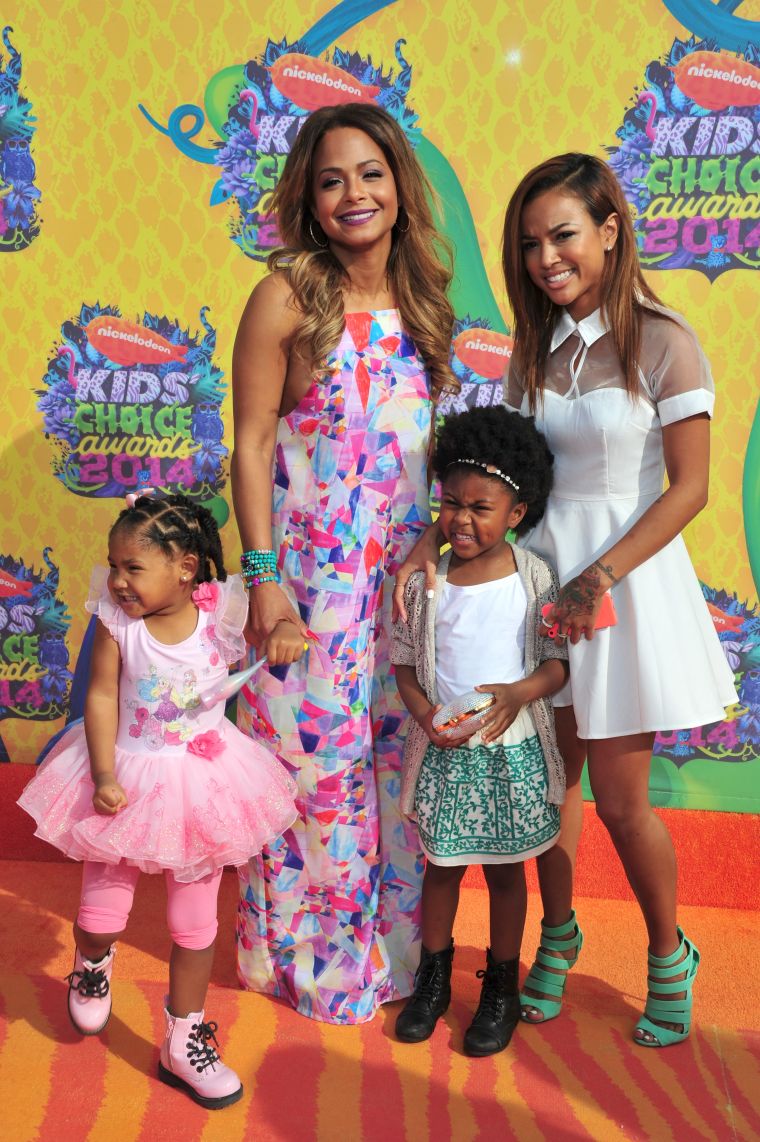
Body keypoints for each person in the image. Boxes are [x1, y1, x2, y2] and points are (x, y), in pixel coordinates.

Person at [394, 153, 737, 1047]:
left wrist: (600, 577)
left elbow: (690, 489)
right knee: (549, 786)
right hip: (538, 585)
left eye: (565, 235)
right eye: (532, 243)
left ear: (611, 229)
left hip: (621, 584)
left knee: (622, 801)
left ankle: (670, 954)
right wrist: (442, 531)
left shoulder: (666, 339)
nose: (548, 256)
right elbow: (508, 472)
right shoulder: (533, 350)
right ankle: (557, 937)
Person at [230, 102, 456, 1024]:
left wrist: (430, 547)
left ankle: (395, 957)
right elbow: (248, 446)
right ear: (309, 199)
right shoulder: (286, 295)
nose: (353, 194)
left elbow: (429, 453)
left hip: (402, 583)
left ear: (398, 184)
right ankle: (312, 964)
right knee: (316, 774)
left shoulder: (429, 299)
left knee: (397, 766)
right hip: (309, 588)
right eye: (331, 180)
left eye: (369, 173)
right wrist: (263, 579)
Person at [17, 494, 299, 1108]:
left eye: (132, 568)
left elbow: (279, 622)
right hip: (124, 779)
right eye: (113, 565)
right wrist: (101, 771)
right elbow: (99, 697)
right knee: (101, 916)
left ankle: (184, 1036)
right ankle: (91, 966)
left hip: (205, 785)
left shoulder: (222, 609)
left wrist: (284, 633)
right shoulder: (118, 622)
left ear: (186, 568)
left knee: (194, 926)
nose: (117, 580)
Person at [391, 406, 568, 1056]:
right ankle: (432, 980)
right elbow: (406, 666)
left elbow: (554, 666)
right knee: (440, 869)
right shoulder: (428, 583)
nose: (461, 520)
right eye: (451, 504)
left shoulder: (534, 579)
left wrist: (521, 692)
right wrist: (423, 718)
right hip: (446, 756)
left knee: (503, 874)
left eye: (481, 507)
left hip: (512, 756)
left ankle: (500, 988)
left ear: (516, 513)